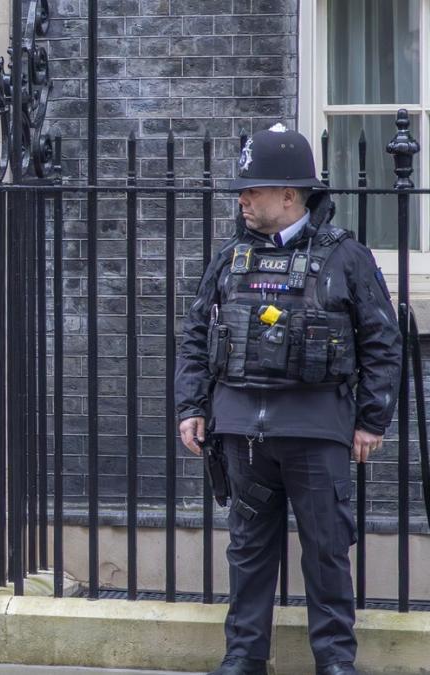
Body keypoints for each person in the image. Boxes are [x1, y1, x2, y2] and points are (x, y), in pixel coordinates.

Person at [175, 124, 401, 675]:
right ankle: (244, 658)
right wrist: (192, 406)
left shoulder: (345, 257)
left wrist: (371, 421)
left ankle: (335, 661)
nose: (242, 199)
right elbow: (197, 335)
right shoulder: (230, 258)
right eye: (242, 190)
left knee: (326, 552)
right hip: (242, 434)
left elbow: (382, 341)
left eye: (253, 189)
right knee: (248, 553)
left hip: (315, 430)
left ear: (290, 196)